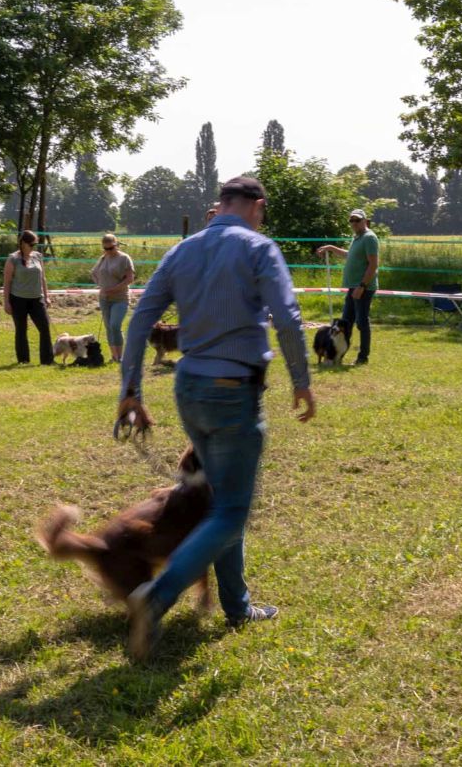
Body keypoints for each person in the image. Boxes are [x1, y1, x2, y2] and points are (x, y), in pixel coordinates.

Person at [117, 176, 316, 661]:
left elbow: (141, 318)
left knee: (223, 500)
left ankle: (237, 605)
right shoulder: (259, 248)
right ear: (257, 206)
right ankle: (156, 599)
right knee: (232, 510)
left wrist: (130, 390)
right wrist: (302, 380)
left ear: (220, 204)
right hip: (234, 392)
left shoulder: (182, 251)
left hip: (190, 391)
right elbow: (288, 320)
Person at [314, 209, 380, 365]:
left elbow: (373, 264)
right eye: (352, 220)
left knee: (362, 323)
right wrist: (330, 247)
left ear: (365, 221)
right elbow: (348, 255)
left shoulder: (369, 238)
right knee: (346, 323)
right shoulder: (357, 238)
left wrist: (362, 286)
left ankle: (363, 357)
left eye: (357, 220)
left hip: (363, 287)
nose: (354, 223)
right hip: (353, 287)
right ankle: (338, 354)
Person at [2, 230, 53, 365]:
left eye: (35, 244)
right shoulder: (13, 259)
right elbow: (7, 282)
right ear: (23, 243)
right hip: (18, 299)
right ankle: (23, 360)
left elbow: (43, 278)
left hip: (37, 299)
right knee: (21, 330)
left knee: (45, 327)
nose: (33, 247)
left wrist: (46, 297)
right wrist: (6, 302)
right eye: (31, 244)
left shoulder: (38, 256)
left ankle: (47, 360)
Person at [91, 233, 135, 363]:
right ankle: (114, 356)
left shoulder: (124, 258)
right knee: (108, 327)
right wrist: (100, 285)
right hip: (104, 299)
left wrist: (113, 289)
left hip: (120, 298)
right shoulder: (103, 258)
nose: (108, 251)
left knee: (115, 325)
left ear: (117, 245)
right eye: (105, 249)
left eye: (111, 248)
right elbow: (93, 273)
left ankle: (120, 356)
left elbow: (130, 278)